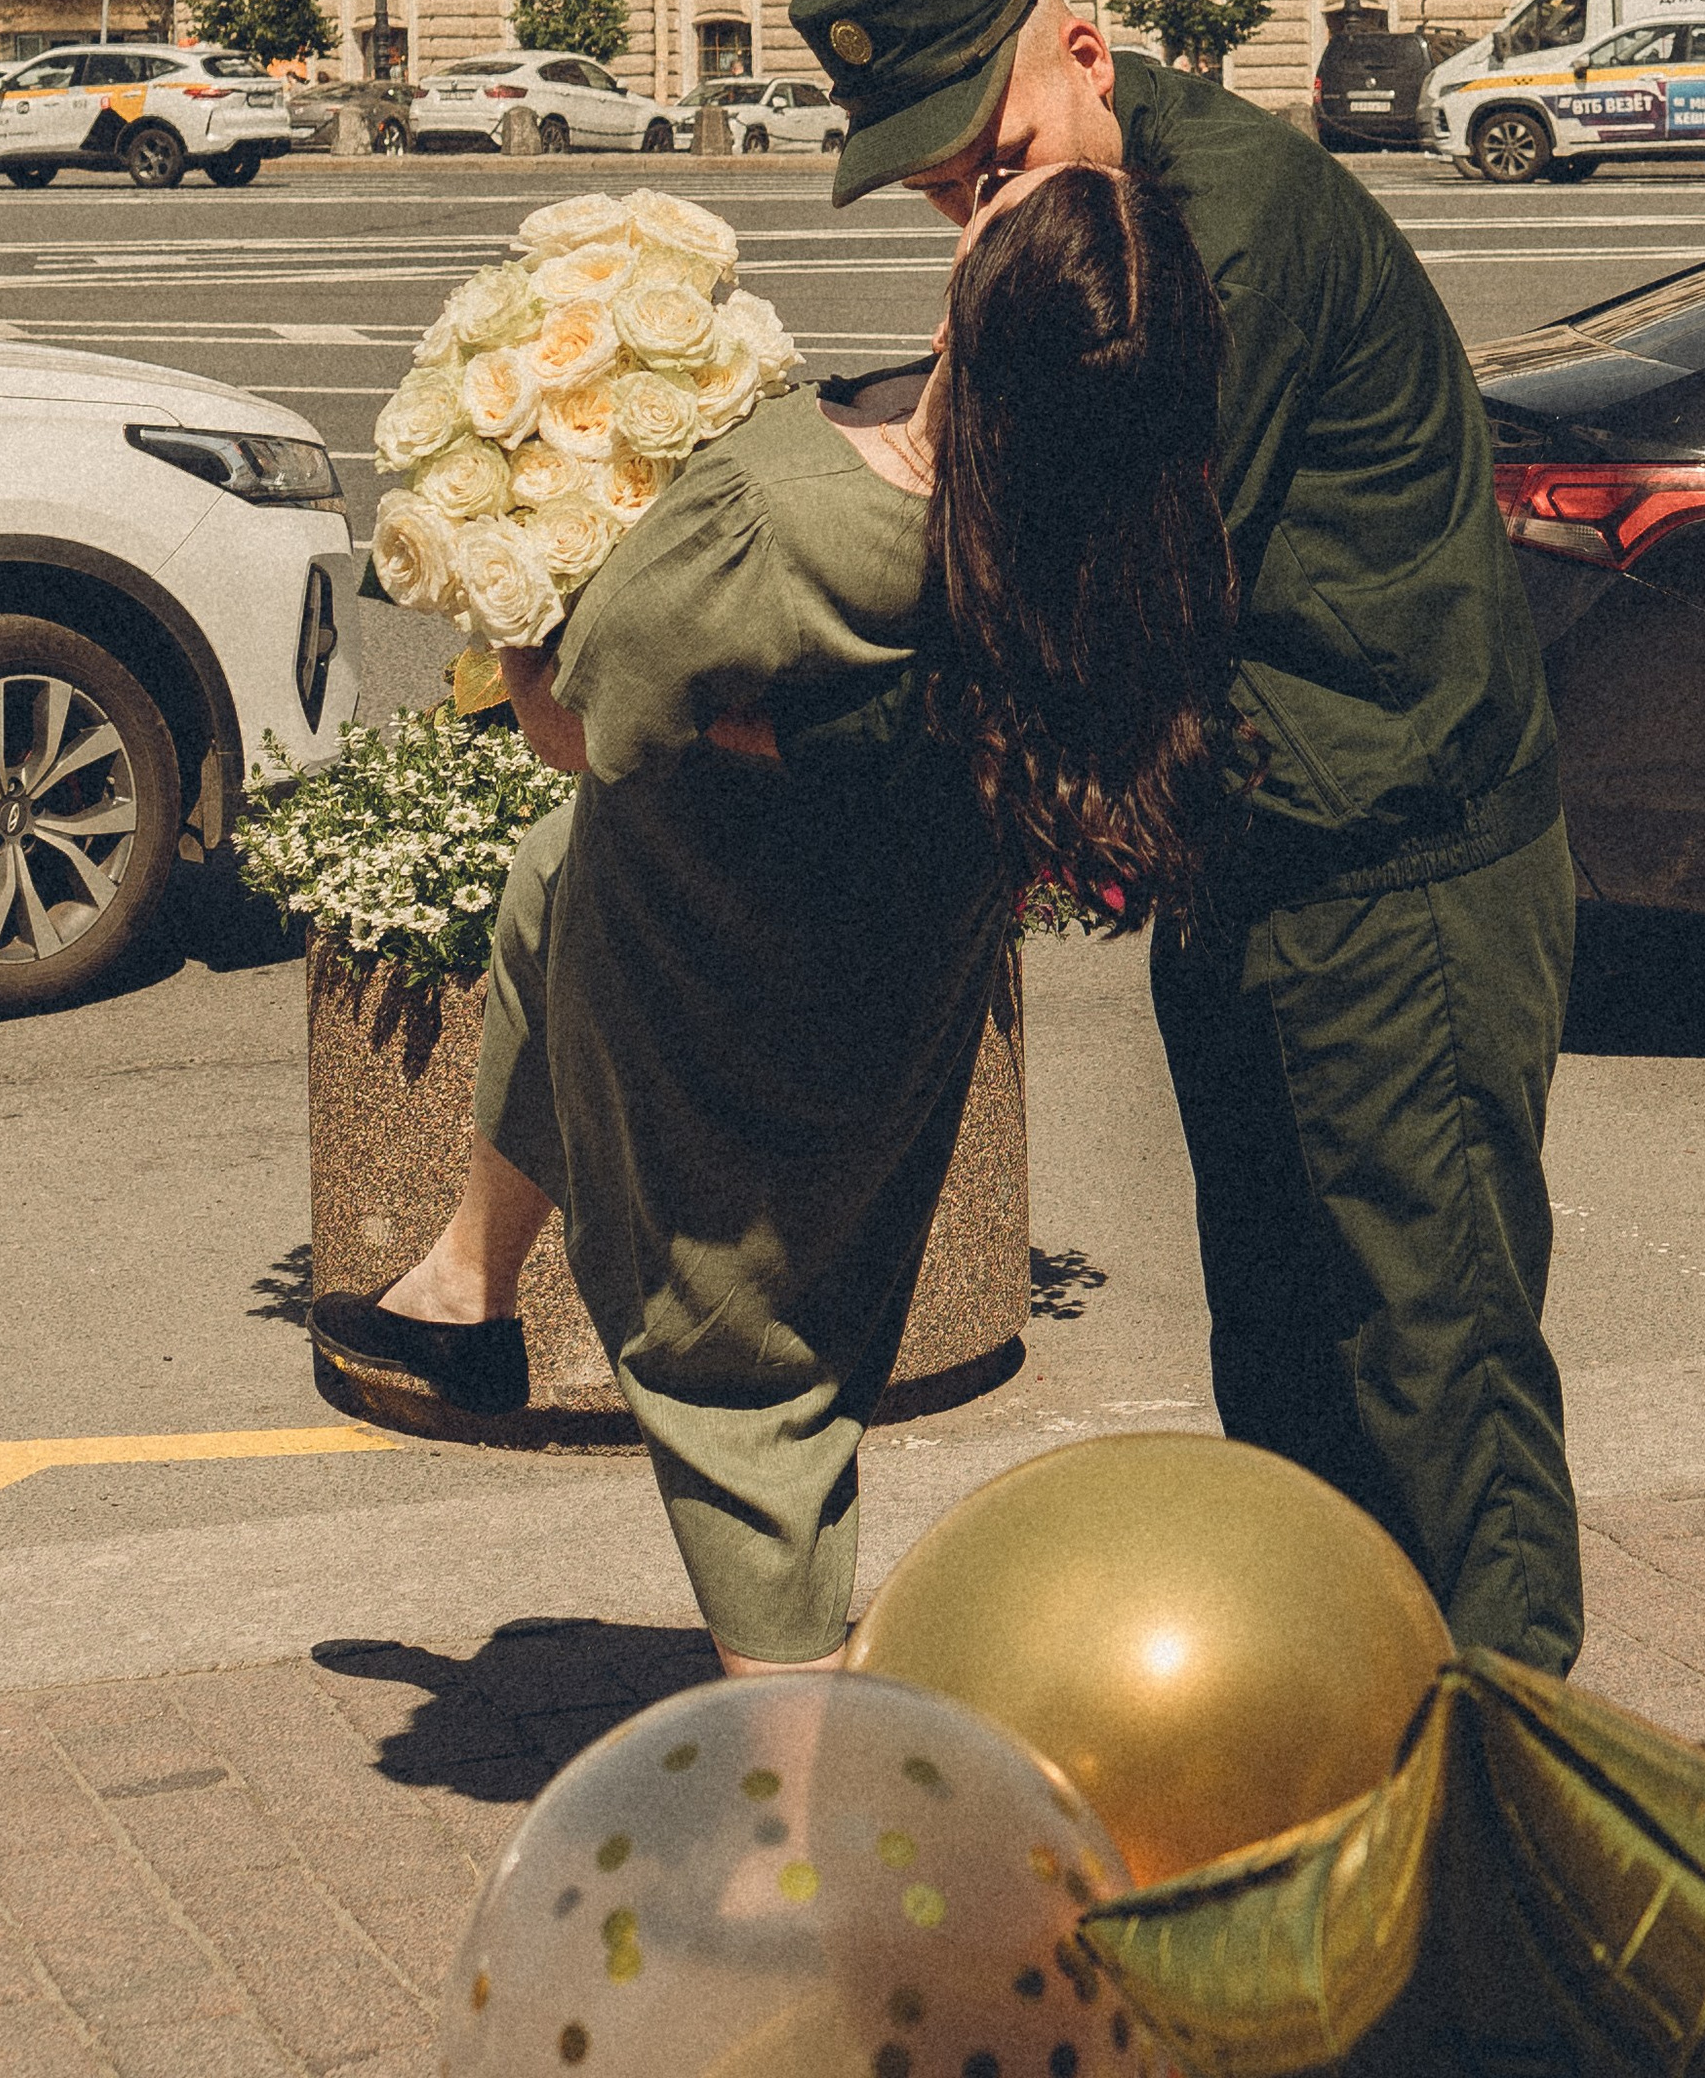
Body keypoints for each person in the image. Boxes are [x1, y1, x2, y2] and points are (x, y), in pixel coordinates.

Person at [786, 0, 1582, 1674]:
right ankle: (1330, 1735)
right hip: (1254, 855)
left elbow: (1068, 582)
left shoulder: (1216, 240)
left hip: (1400, 876)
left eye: (995, 160)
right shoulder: (1100, 210)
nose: (985, 215)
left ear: (1083, 50)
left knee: (1435, 1374)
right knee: (1285, 1376)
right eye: (947, 195)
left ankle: (1516, 1784)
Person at [312, 164, 1236, 1676]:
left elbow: (572, 725)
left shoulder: (780, 520)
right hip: (898, 966)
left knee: (743, 1389)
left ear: (961, 324)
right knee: (550, 877)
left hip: (715, 965)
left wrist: (514, 592)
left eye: (991, 209)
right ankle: (464, 1287)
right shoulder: (1112, 526)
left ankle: (798, 1763)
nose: (974, 192)